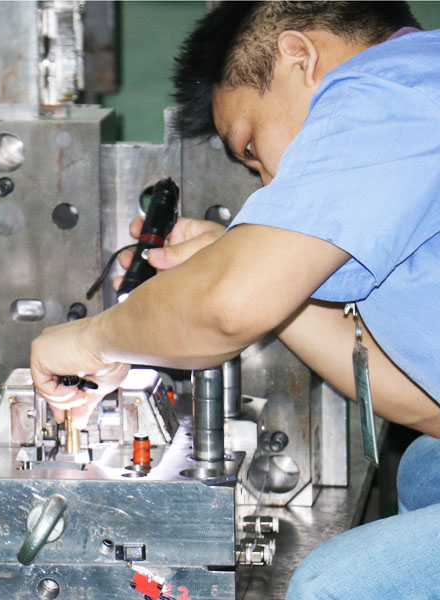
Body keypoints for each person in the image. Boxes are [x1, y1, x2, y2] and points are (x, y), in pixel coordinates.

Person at [30, 2, 440, 597]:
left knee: (334, 587)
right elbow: (424, 406)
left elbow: (225, 310)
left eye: (250, 146)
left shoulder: (388, 90)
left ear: (299, 56)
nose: (271, 183)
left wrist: (88, 340)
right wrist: (250, 268)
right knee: (428, 468)